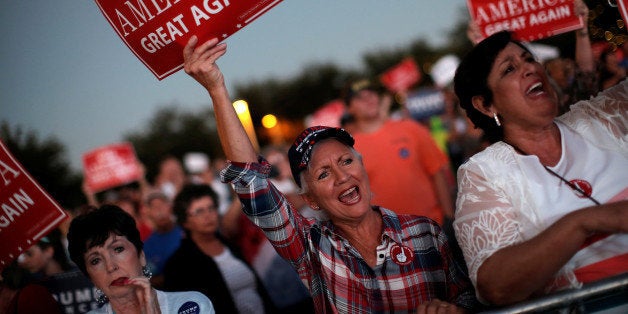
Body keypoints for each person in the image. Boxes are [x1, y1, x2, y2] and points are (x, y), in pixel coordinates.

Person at [182, 35, 477, 313]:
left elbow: (467, 295)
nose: (342, 176)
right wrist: (216, 89)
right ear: (311, 199)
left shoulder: (425, 233)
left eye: (347, 161)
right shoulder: (312, 250)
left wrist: (455, 309)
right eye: (323, 174)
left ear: (362, 167)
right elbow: (251, 181)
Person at [453, 30, 628, 306]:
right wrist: (586, 221)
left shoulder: (601, 116)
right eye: (510, 69)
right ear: (486, 104)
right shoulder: (484, 174)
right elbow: (495, 287)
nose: (530, 69)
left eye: (528, 59)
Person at [343, 78, 455, 226]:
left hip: (434, 226)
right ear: (350, 108)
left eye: (371, 94)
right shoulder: (348, 150)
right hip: (391, 239)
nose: (368, 100)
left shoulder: (411, 128)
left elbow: (437, 174)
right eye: (360, 98)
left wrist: (449, 218)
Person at [67, 205, 214, 313]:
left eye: (118, 249)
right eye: (95, 260)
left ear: (141, 256)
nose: (110, 266)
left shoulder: (190, 305)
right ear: (90, 277)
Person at [163, 183, 275, 314]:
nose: (208, 215)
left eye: (211, 208)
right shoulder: (180, 264)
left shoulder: (230, 245)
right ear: (185, 221)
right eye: (199, 211)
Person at [142, 189, 184, 289]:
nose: (159, 211)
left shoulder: (188, 229)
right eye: (154, 207)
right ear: (148, 213)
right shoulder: (147, 247)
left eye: (162, 205)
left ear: (170, 207)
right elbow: (150, 279)